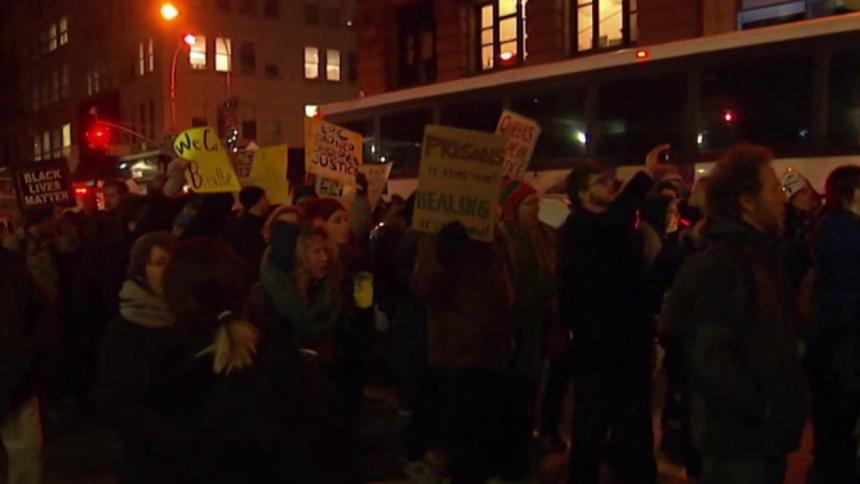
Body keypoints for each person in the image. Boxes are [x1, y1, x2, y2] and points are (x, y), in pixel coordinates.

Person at [661, 144, 806, 484]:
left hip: (760, 439)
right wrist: (765, 406)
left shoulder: (762, 257)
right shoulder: (721, 264)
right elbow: (710, 359)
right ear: (746, 201)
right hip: (737, 444)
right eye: (774, 189)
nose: (783, 199)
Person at [559, 146, 670, 484]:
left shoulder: (617, 229)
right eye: (600, 181)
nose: (610, 185)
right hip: (598, 346)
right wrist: (644, 177)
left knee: (634, 424)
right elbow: (610, 227)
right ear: (582, 194)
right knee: (591, 426)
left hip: (630, 342)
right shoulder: (579, 230)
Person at [412, 221, 514, 483]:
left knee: (481, 445)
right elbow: (424, 287)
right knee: (463, 446)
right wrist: (445, 255)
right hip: (457, 354)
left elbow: (506, 290)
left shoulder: (494, 235)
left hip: (492, 353)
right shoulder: (435, 234)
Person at [95, 232, 181, 483]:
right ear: (141, 271)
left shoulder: (191, 319)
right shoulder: (125, 328)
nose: (169, 270)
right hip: (148, 456)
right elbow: (113, 398)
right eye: (160, 262)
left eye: (174, 262)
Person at [497, 178, 558, 480]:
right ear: (512, 208)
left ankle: (520, 459)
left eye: (536, 203)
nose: (536, 209)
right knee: (508, 400)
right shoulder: (501, 241)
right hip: (509, 334)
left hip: (535, 330)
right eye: (529, 204)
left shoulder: (544, 237)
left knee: (528, 398)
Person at [807, 165, 860, 483]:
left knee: (833, 426)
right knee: (838, 424)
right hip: (843, 341)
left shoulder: (829, 225)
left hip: (833, 338)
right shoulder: (845, 230)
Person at [0, 247, 54, 484]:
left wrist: (26, 357)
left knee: (25, 459)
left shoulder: (16, 276)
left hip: (17, 382)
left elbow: (43, 324)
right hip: (18, 378)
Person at [782, 170, 822, 292]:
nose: (809, 195)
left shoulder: (806, 220)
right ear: (792, 197)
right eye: (803, 192)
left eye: (809, 190)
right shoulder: (788, 224)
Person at [223, 186, 270, 278]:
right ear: (258, 200)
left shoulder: (236, 223)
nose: (268, 200)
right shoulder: (253, 226)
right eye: (264, 197)